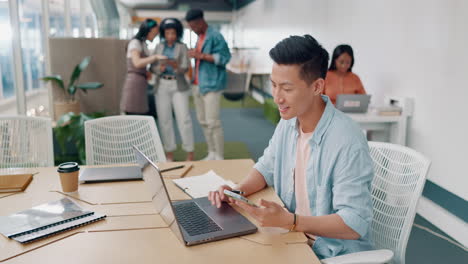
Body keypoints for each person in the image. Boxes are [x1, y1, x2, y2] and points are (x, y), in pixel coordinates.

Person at [208, 35, 374, 259]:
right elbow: (267, 167)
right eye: (273, 85)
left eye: (286, 88)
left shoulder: (347, 141)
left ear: (317, 86)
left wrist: (291, 221)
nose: (277, 97)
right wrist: (237, 192)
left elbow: (354, 223)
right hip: (293, 237)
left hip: (332, 252)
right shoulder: (288, 123)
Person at [185, 8, 231, 160]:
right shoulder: (200, 37)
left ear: (200, 22)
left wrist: (201, 55)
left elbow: (225, 58)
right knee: (203, 121)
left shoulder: (215, 36)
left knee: (213, 122)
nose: (192, 30)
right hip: (198, 84)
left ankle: (219, 155)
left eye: (193, 27)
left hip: (212, 85)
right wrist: (196, 55)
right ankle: (211, 152)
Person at [150, 18, 194, 162]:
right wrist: (159, 68)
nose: (170, 36)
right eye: (167, 33)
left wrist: (176, 66)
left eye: (173, 33)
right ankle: (169, 152)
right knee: (164, 120)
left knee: (184, 119)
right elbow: (152, 67)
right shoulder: (158, 46)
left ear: (178, 33)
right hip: (162, 84)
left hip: (178, 85)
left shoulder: (182, 46)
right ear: (163, 33)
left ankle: (189, 152)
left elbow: (186, 67)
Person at [121, 19, 166, 115]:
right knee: (133, 113)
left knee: (140, 113)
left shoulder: (143, 43)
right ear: (148, 31)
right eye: (154, 33)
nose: (155, 35)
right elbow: (137, 63)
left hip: (141, 81)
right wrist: (155, 57)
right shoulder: (135, 43)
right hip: (134, 82)